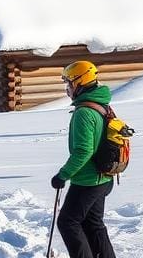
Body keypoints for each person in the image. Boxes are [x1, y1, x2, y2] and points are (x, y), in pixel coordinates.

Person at [52, 60, 117, 258]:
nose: (68, 88)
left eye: (69, 83)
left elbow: (83, 151)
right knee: (93, 224)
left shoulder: (84, 112)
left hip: (88, 181)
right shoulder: (101, 105)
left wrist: (62, 175)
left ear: (80, 83)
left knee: (68, 222)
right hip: (104, 178)